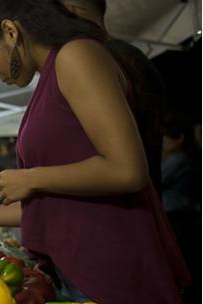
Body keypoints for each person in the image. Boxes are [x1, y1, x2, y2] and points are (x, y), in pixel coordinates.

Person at [0, 0, 190, 304]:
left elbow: (127, 170)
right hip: (81, 276)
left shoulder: (76, 55)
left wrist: (33, 178)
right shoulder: (52, 74)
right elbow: (53, 203)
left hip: (113, 279)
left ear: (10, 31)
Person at [60, 0, 166, 194]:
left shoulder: (93, 58)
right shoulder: (129, 55)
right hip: (146, 198)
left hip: (121, 205)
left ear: (70, 8)